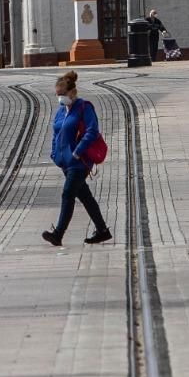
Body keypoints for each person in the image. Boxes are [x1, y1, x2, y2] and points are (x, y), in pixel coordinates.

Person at [43, 71, 113, 247]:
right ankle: (102, 231)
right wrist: (54, 153)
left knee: (68, 194)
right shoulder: (60, 111)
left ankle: (58, 234)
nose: (60, 98)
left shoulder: (84, 107)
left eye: (63, 94)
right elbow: (56, 132)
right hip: (65, 162)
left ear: (72, 92)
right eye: (58, 95)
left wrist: (78, 151)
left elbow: (92, 131)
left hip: (79, 163)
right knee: (85, 197)